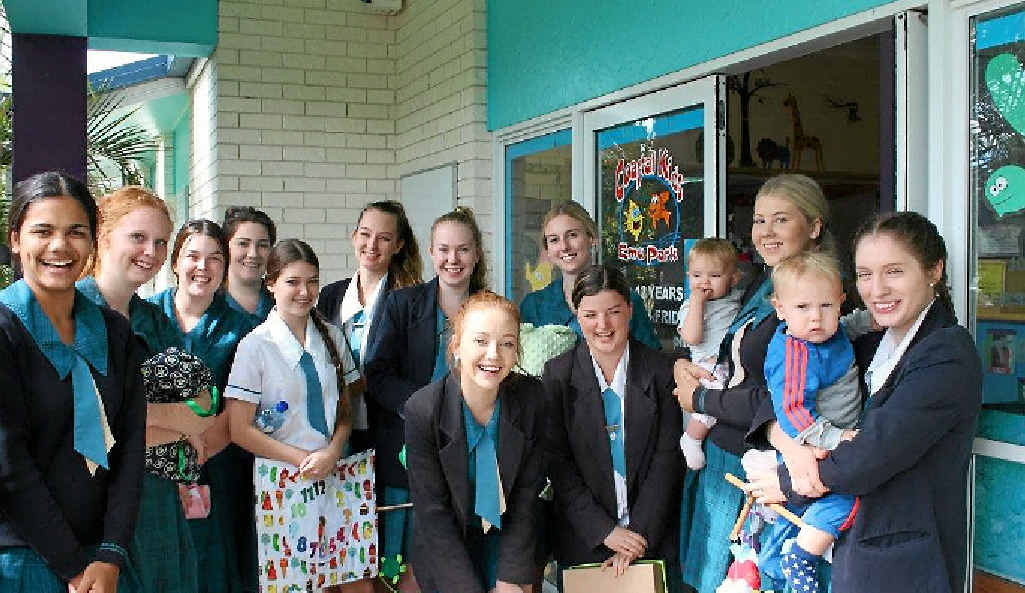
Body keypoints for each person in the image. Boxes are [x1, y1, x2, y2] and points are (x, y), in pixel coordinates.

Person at [745, 212, 982, 593]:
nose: (877, 290)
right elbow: (773, 390)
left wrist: (788, 481)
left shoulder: (946, 353)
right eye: (866, 275)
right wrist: (787, 442)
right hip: (847, 551)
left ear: (934, 270)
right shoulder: (863, 338)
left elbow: (872, 454)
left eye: (894, 271)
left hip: (902, 565)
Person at [674, 174, 833, 593]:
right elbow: (722, 354)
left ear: (814, 227)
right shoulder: (764, 286)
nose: (766, 232)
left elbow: (783, 397)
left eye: (781, 220)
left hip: (764, 470)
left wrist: (703, 397)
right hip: (726, 457)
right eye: (760, 221)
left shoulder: (814, 300)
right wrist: (682, 368)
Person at [0, 171, 145, 593]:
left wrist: (111, 552)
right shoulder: (6, 330)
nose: (60, 247)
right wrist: (73, 568)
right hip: (24, 560)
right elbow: (8, 463)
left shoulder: (115, 334)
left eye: (76, 232)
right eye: (42, 232)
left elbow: (131, 449)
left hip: (106, 564)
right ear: (15, 240)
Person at [76, 186, 214, 593]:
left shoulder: (154, 320)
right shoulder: (72, 316)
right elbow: (92, 431)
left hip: (159, 508)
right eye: (137, 237)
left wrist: (170, 423)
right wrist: (179, 428)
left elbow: (203, 404)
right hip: (99, 513)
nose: (150, 252)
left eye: (159, 242)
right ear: (102, 235)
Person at [225, 238, 370, 593]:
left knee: (354, 580)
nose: (304, 292)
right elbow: (239, 430)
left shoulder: (332, 336)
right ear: (271, 283)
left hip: (337, 470)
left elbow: (347, 408)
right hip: (284, 480)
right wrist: (303, 459)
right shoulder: (255, 347)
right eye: (293, 282)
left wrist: (333, 451)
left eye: (313, 281)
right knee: (300, 584)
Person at [365, 206, 488, 592]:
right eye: (444, 250)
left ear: (477, 254)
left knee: (462, 563)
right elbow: (377, 373)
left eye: (463, 250)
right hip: (410, 454)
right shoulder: (402, 305)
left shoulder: (491, 308)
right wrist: (422, 409)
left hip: (473, 457)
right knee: (407, 571)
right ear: (432, 253)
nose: (453, 259)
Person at [543, 264, 682, 589]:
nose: (602, 325)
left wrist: (637, 538)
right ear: (577, 314)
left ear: (630, 310)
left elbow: (667, 462)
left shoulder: (662, 372)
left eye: (613, 312)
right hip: (585, 540)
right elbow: (558, 465)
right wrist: (605, 532)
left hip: (652, 538)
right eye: (591, 314)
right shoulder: (558, 376)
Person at [405, 291, 543, 593]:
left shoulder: (532, 399)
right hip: (448, 548)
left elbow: (525, 499)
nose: (493, 355)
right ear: (457, 344)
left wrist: (510, 579)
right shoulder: (423, 410)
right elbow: (433, 514)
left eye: (507, 343)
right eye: (480, 341)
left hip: (508, 541)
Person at [149, 219, 257, 593]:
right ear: (175, 261)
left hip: (219, 470)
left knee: (214, 570)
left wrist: (195, 456)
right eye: (193, 255)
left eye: (214, 258)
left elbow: (242, 405)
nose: (203, 267)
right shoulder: (143, 318)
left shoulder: (242, 329)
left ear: (225, 267)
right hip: (153, 469)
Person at [754, 251, 863, 591]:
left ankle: (774, 556)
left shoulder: (826, 333)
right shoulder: (796, 353)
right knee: (843, 501)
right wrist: (833, 438)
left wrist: (871, 321)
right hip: (813, 441)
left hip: (827, 438)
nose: (816, 318)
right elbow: (794, 411)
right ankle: (801, 556)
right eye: (802, 308)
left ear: (841, 302)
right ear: (780, 308)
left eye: (826, 306)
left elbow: (847, 329)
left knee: (808, 508)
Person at [318, 200, 423, 453]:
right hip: (332, 432)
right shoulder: (330, 295)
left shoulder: (411, 301)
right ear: (354, 237)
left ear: (398, 245)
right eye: (365, 234)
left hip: (388, 434)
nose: (372, 245)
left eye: (384, 238)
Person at [520, 201, 660, 349]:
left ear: (592, 238)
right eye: (554, 240)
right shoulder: (534, 306)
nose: (564, 246)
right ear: (547, 250)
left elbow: (650, 361)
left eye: (572, 235)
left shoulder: (623, 300)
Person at [676, 238, 743, 470]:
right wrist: (697, 303)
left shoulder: (736, 298)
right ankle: (692, 438)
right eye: (696, 276)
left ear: (733, 278)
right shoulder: (690, 305)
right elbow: (692, 337)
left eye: (714, 276)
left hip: (729, 360)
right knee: (713, 396)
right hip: (707, 363)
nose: (704, 282)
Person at [222, 206, 276, 324]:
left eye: (262, 245)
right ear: (225, 247)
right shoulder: (208, 303)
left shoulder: (281, 304)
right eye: (243, 244)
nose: (253, 254)